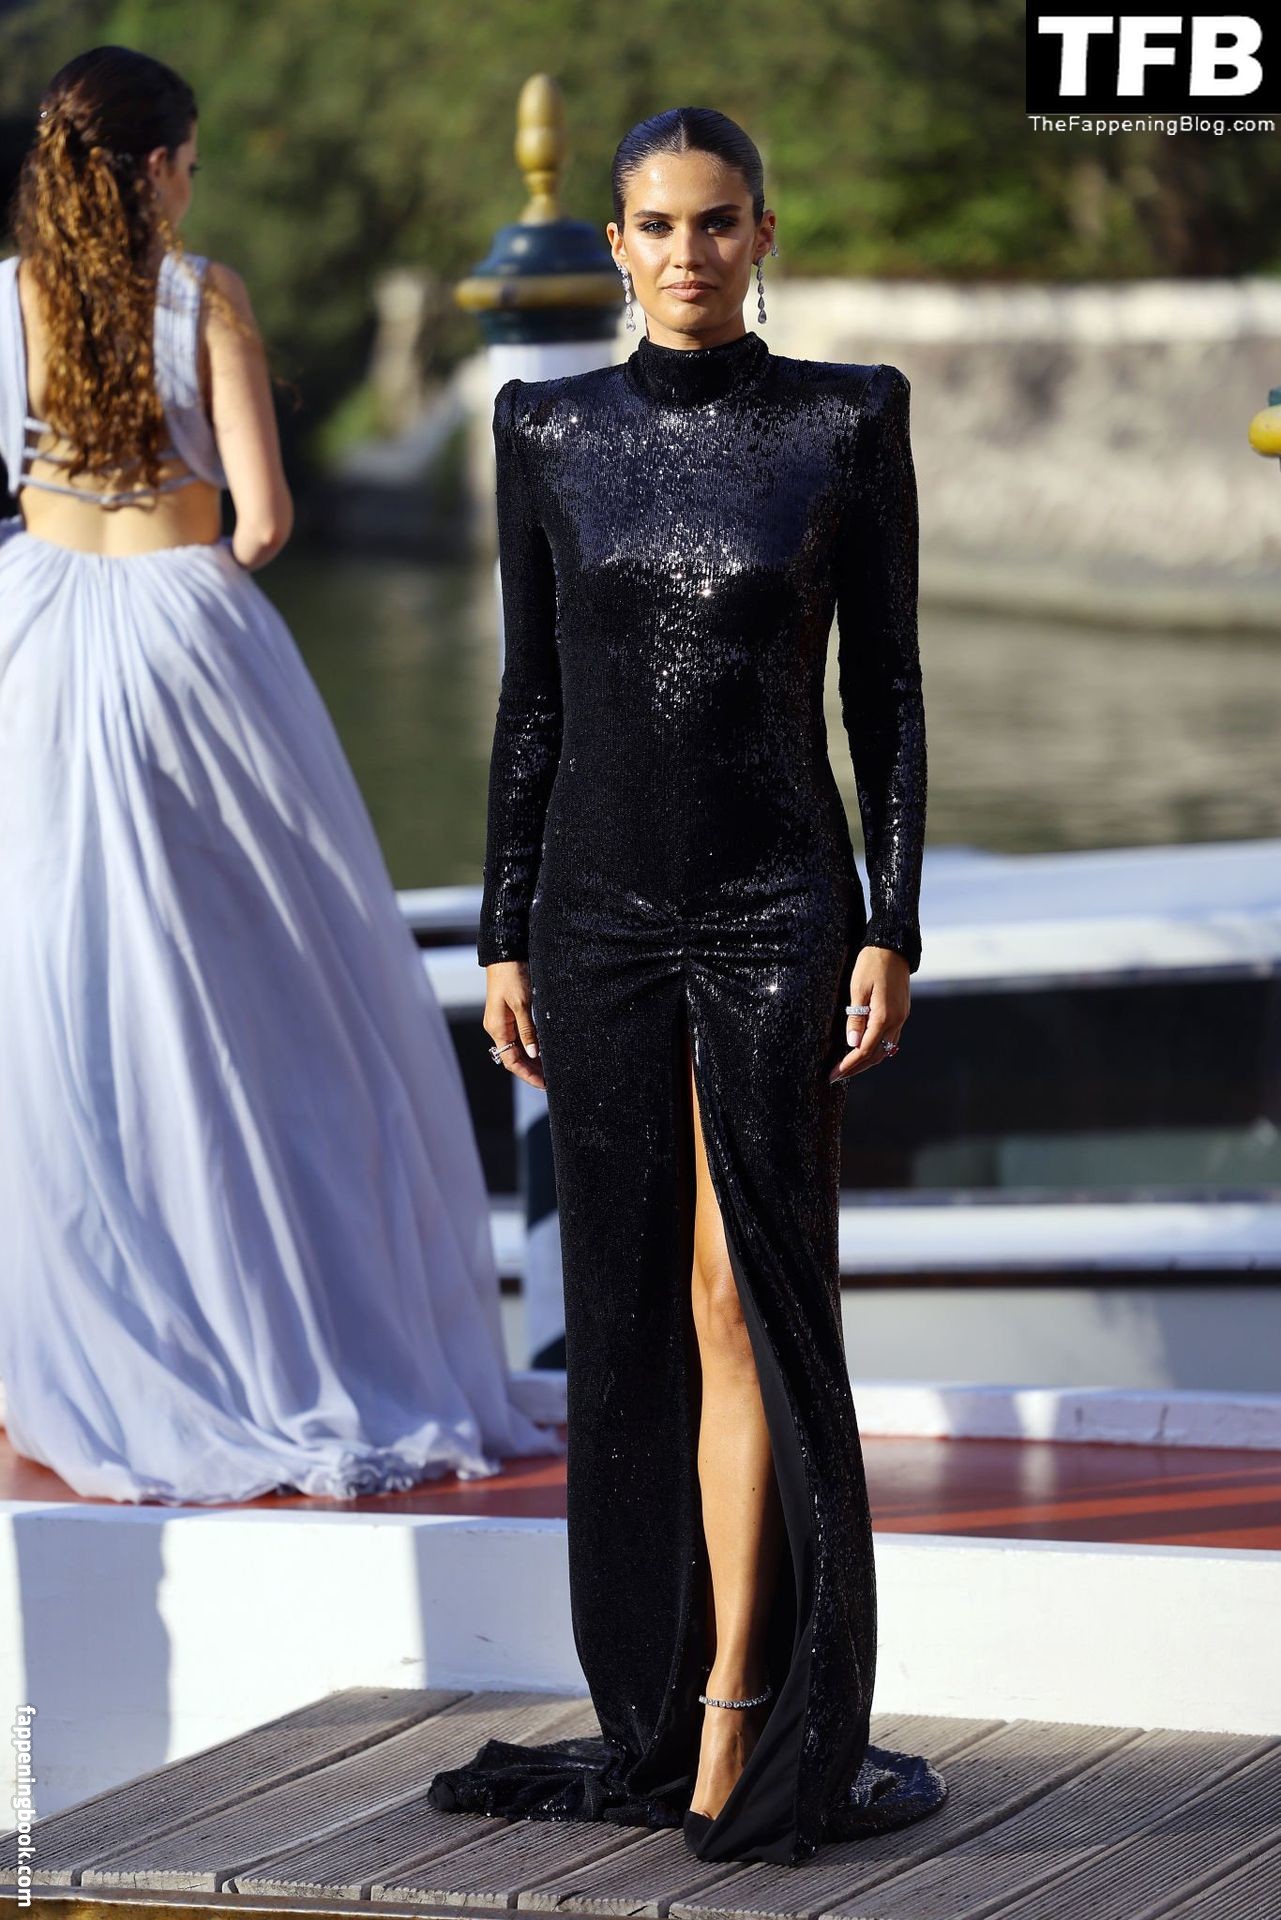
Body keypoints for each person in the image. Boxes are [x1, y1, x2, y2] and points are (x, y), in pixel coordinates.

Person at [427, 108, 947, 1865]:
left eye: (716, 223)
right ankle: (652, 1698)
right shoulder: (544, 427)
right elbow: (530, 703)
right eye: (655, 225)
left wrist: (892, 923)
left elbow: (885, 693)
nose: (686, 254)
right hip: (593, 918)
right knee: (634, 1310)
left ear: (760, 234)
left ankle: (742, 1701)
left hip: (778, 906)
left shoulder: (845, 418)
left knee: (748, 1300)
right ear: (617, 243)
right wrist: (501, 929)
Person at [0, 45, 559, 1505]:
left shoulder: (7, 300)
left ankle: (83, 1343)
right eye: (187, 163)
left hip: (34, 637)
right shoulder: (203, 296)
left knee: (58, 988)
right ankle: (286, 1323)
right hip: (183, 637)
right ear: (161, 166)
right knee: (268, 991)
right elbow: (260, 519)